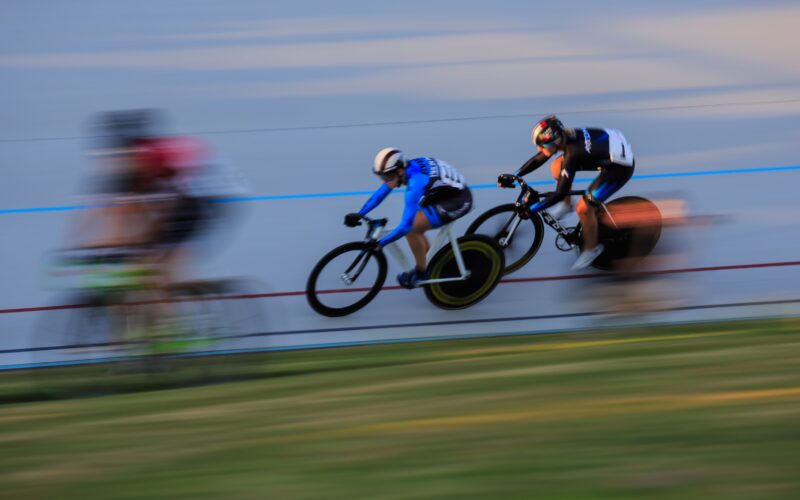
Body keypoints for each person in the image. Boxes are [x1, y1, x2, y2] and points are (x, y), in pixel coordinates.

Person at [498, 115, 635, 270]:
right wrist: (516, 175)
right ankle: (567, 206)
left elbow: (560, 193)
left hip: (619, 168)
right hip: (606, 150)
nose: (539, 149)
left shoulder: (573, 152)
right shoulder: (565, 136)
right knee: (556, 167)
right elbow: (541, 157)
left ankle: (591, 248)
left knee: (584, 209)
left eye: (542, 145)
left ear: (555, 142)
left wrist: (532, 209)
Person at [345, 148, 473, 288]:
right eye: (382, 177)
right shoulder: (405, 168)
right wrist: (360, 213)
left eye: (387, 177)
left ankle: (421, 272)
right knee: (416, 222)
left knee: (412, 229)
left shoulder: (415, 183)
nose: (385, 181)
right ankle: (429, 261)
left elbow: (405, 226)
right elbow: (382, 192)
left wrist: (381, 243)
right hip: (443, 192)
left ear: (399, 171)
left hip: (458, 200)